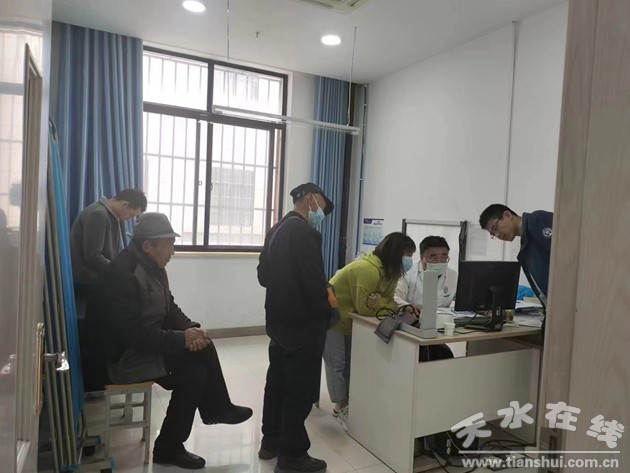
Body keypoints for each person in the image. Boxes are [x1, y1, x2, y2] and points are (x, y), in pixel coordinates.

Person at [85, 213, 252, 470]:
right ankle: (181, 438)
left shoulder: (154, 267)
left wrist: (191, 328)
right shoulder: (122, 275)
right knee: (194, 374)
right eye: (169, 244)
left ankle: (210, 416)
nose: (173, 251)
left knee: (202, 350)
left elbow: (169, 307)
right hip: (121, 359)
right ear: (147, 245)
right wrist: (181, 339)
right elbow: (131, 335)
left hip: (143, 347)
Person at [257, 182, 335, 473]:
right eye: (322, 208)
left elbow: (263, 276)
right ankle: (292, 456)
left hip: (278, 323)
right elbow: (313, 282)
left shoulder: (276, 229)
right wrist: (328, 312)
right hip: (303, 325)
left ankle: (270, 442)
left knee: (277, 384)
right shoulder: (304, 232)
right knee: (299, 391)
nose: (321, 216)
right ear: (311, 199)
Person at [323, 232, 416, 428]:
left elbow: (389, 302)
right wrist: (383, 303)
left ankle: (349, 401)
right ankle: (340, 406)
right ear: (395, 253)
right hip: (332, 318)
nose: (410, 260)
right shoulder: (366, 270)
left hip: (352, 321)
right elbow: (365, 308)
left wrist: (380, 301)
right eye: (408, 254)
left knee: (351, 364)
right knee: (337, 364)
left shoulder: (392, 273)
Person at [479, 204, 553, 307]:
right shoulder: (525, 246)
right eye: (493, 234)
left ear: (507, 215)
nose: (497, 235)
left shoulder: (537, 220)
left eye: (495, 228)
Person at [70, 188, 147, 287]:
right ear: (124, 204)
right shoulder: (98, 214)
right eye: (131, 215)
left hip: (95, 279)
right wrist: (119, 270)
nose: (128, 219)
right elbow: (93, 256)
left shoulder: (109, 215)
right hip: (87, 282)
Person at [394, 235, 457, 312]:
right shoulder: (408, 273)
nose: (439, 262)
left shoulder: (454, 276)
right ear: (421, 257)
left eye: (444, 257)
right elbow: (395, 298)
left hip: (442, 317)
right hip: (413, 316)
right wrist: (409, 307)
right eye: (433, 258)